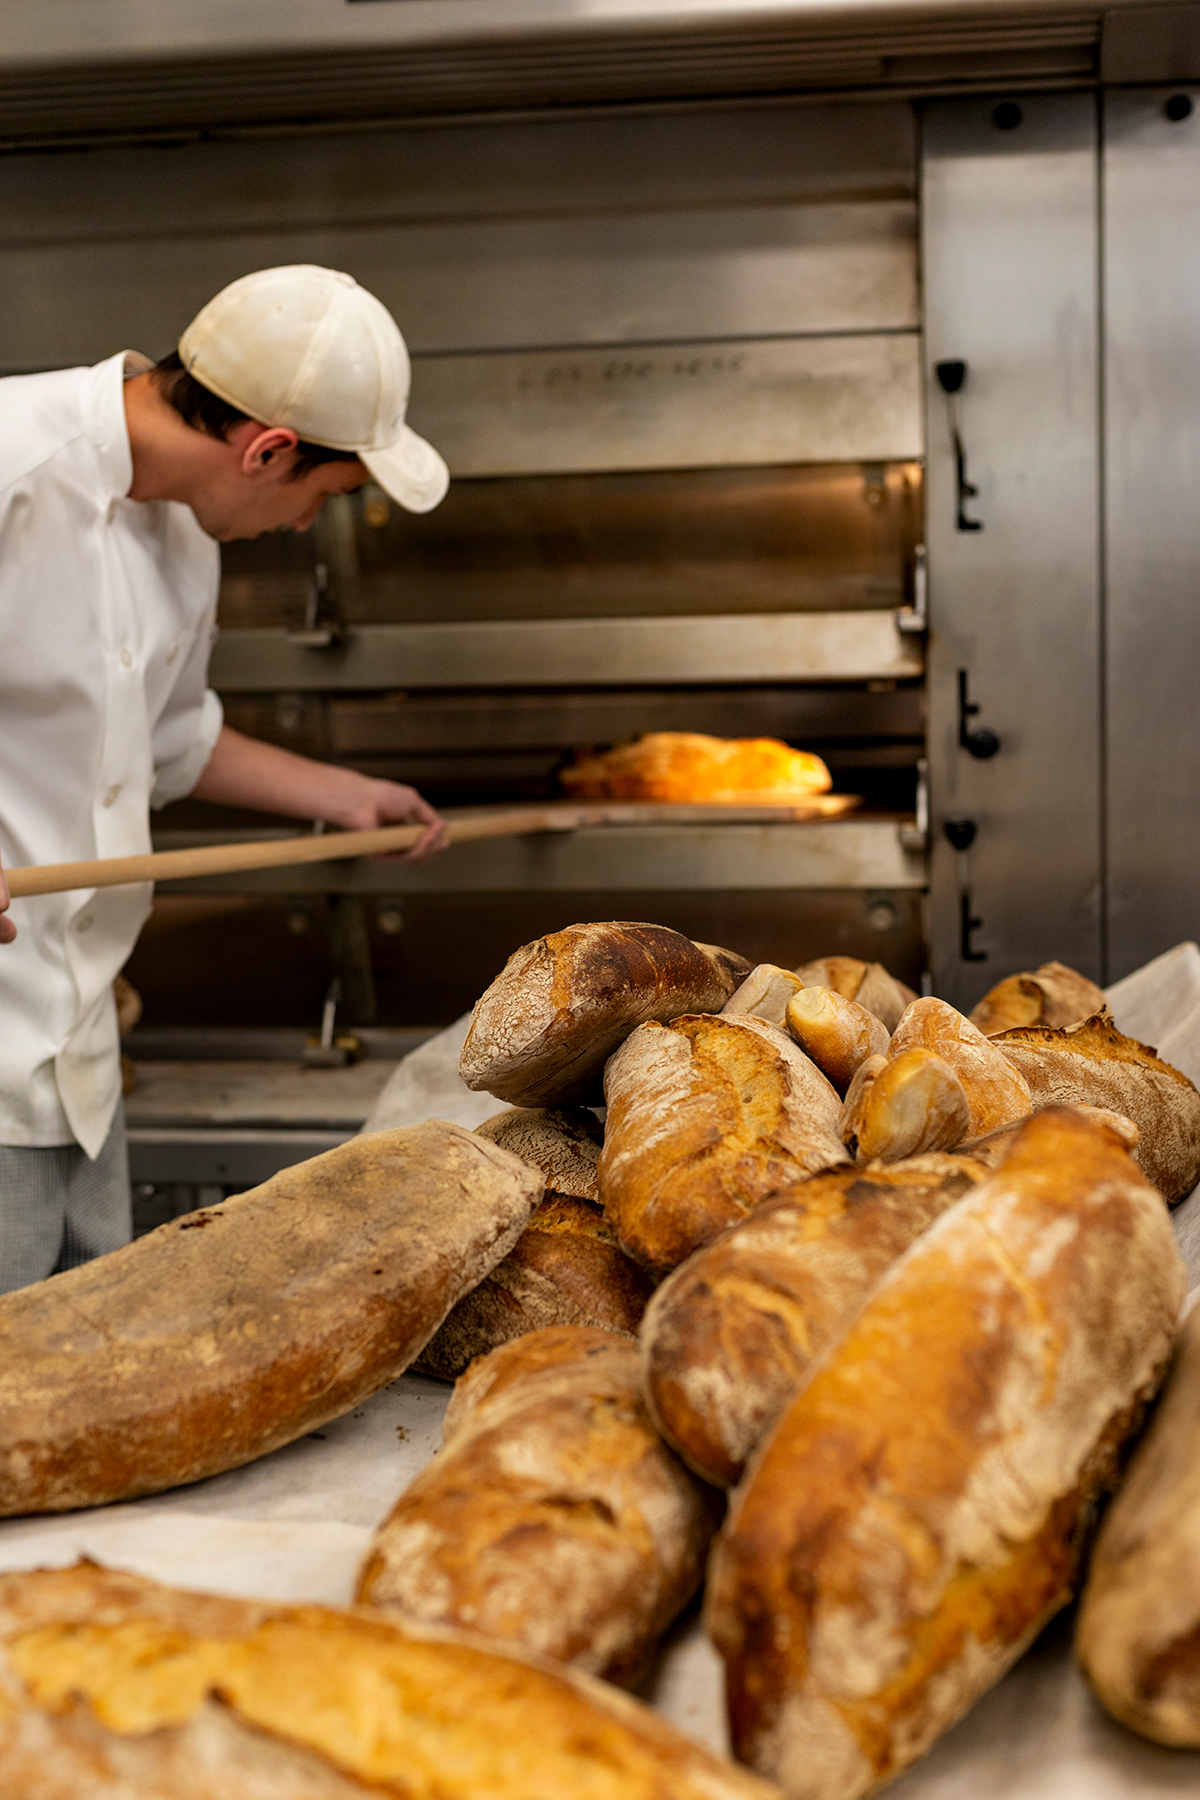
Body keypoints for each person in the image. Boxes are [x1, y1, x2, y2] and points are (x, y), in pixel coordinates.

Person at [0, 264, 451, 1293]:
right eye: (319, 499)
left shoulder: (183, 534)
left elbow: (166, 741)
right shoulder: (9, 458)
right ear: (269, 448)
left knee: (78, 1376)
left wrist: (344, 798)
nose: (303, 528)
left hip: (79, 1050)